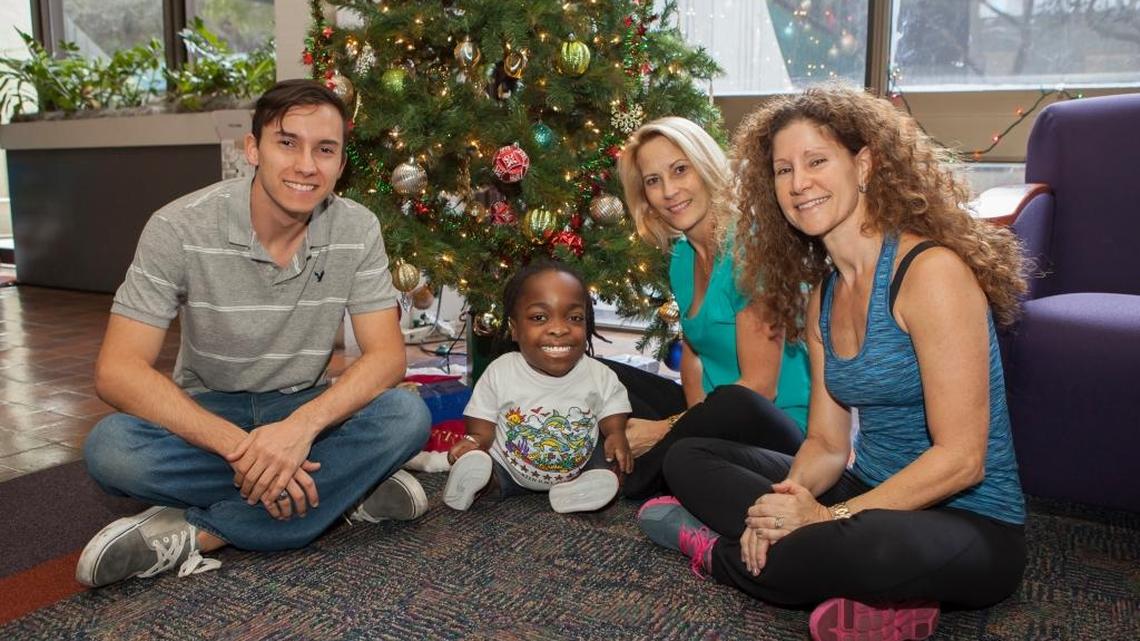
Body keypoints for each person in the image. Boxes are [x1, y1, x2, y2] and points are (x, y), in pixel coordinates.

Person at [637, 85, 1029, 641]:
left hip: (970, 522)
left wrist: (827, 518)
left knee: (859, 547)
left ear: (863, 164)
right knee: (690, 459)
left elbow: (962, 460)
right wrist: (790, 500)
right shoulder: (824, 295)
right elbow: (824, 443)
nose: (799, 184)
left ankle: (718, 552)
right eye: (782, 170)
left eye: (816, 161)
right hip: (867, 490)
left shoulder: (930, 273)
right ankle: (881, 596)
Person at [77, 79, 432, 588]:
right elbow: (116, 372)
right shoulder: (178, 227)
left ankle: (197, 534)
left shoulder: (357, 227)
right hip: (211, 413)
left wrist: (298, 430)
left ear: (340, 163)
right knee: (111, 449)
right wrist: (245, 451)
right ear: (253, 149)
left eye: (325, 149)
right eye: (287, 143)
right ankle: (341, 492)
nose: (306, 165)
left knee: (406, 414)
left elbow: (386, 358)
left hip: (302, 409)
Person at [612, 116, 810, 499]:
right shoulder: (683, 257)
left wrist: (669, 428)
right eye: (653, 181)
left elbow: (759, 388)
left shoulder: (751, 250)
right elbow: (694, 354)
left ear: (706, 167)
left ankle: (630, 479)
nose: (669, 191)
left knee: (723, 411)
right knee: (602, 374)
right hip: (715, 412)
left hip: (778, 424)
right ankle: (644, 462)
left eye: (680, 170)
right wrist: (690, 420)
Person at [443, 260, 634, 513]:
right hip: (508, 470)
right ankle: (479, 482)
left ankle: (582, 492)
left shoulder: (599, 374)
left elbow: (614, 408)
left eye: (574, 317)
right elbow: (482, 424)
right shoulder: (501, 371)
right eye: (539, 317)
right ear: (514, 329)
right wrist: (474, 441)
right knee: (487, 466)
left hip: (578, 468)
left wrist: (616, 433)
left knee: (610, 462)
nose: (558, 329)